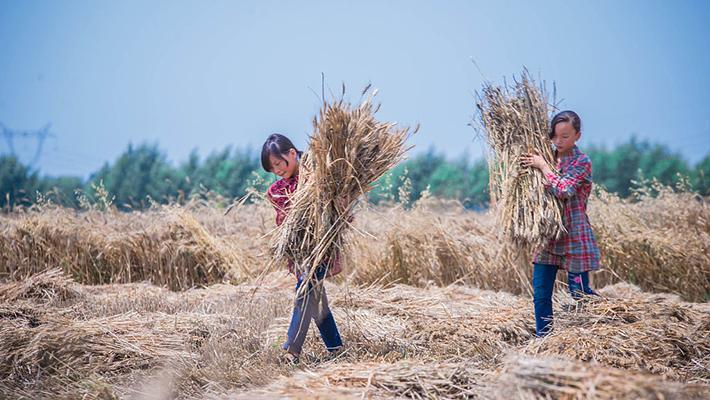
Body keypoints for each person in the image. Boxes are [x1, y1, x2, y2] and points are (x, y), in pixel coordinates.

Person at [261, 133, 344, 362]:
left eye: (279, 163)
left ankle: (292, 349)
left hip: (322, 245)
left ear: (292, 153)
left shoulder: (318, 175)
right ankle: (336, 349)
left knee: (305, 290)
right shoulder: (279, 190)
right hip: (299, 251)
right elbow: (283, 221)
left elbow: (337, 199)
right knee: (315, 298)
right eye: (272, 168)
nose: (276, 170)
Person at [520, 110, 601, 337]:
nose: (558, 141)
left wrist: (543, 166)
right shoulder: (545, 154)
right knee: (541, 294)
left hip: (575, 238)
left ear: (578, 135)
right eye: (555, 136)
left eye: (565, 136)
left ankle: (598, 329)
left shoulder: (581, 162)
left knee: (580, 294)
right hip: (549, 237)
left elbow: (564, 190)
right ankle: (543, 339)